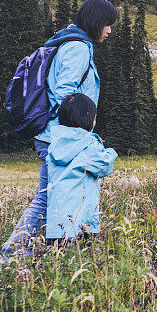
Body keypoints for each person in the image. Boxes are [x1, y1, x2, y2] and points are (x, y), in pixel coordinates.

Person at [0, 0, 118, 261]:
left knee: (54, 196)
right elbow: (65, 92)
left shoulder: (68, 42)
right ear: (96, 21)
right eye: (107, 24)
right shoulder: (78, 48)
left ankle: (55, 251)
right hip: (62, 137)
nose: (109, 30)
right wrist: (81, 127)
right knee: (45, 200)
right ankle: (12, 255)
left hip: (55, 135)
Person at [45, 93, 117, 245]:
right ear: (88, 118)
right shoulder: (89, 145)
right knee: (81, 262)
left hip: (55, 225)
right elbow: (104, 167)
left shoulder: (55, 145)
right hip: (81, 223)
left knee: (56, 263)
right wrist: (110, 152)